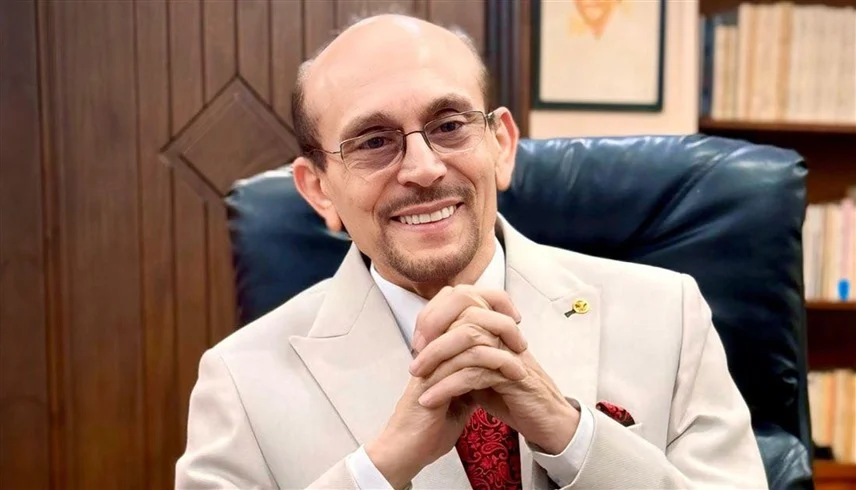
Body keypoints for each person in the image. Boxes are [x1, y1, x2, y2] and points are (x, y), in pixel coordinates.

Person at [175, 14, 768, 490]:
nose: (424, 168)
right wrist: (378, 470)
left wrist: (574, 438)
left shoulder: (669, 315)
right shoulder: (241, 382)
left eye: (449, 125)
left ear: (501, 144)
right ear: (318, 189)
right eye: (374, 141)